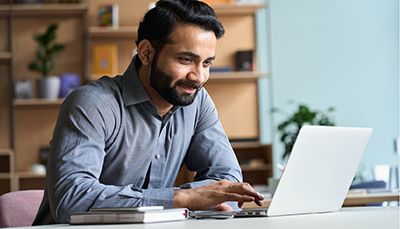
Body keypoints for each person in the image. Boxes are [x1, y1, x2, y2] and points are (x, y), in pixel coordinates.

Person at [33, 0, 264, 224]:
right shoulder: (92, 104)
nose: (198, 77)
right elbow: (70, 199)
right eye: (186, 59)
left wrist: (203, 200)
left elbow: (228, 180)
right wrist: (182, 199)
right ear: (146, 53)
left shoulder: (197, 101)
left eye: (206, 63)